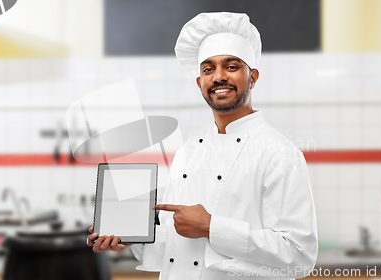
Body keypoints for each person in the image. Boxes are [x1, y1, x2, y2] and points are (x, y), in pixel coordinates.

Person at [87, 12, 318, 279]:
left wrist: (211, 227)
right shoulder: (188, 152)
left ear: (253, 77)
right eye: (208, 69)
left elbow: (299, 255)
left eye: (231, 66)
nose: (219, 77)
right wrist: (130, 238)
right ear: (200, 83)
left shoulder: (280, 153)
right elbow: (177, 248)